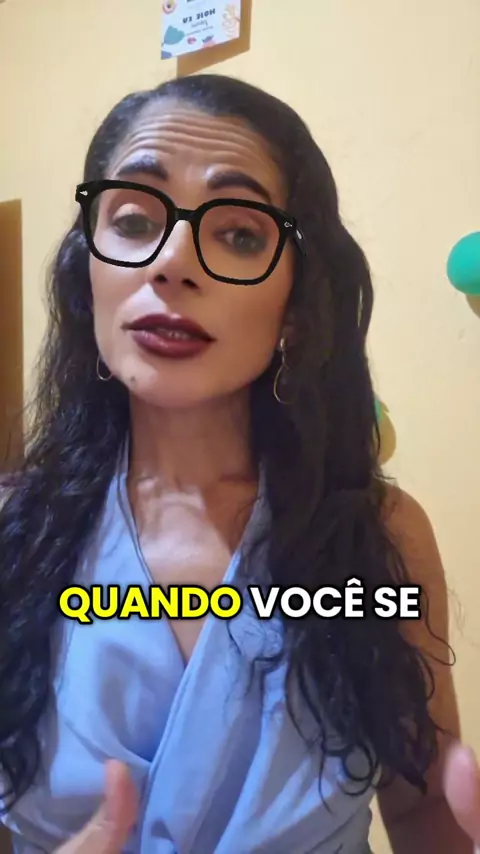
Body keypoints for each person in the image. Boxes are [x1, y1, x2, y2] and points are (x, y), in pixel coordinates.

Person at [0, 73, 475, 854]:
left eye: (241, 234)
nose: (172, 263)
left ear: (296, 310)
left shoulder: (380, 536)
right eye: (133, 220)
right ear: (89, 278)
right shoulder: (16, 531)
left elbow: (425, 812)